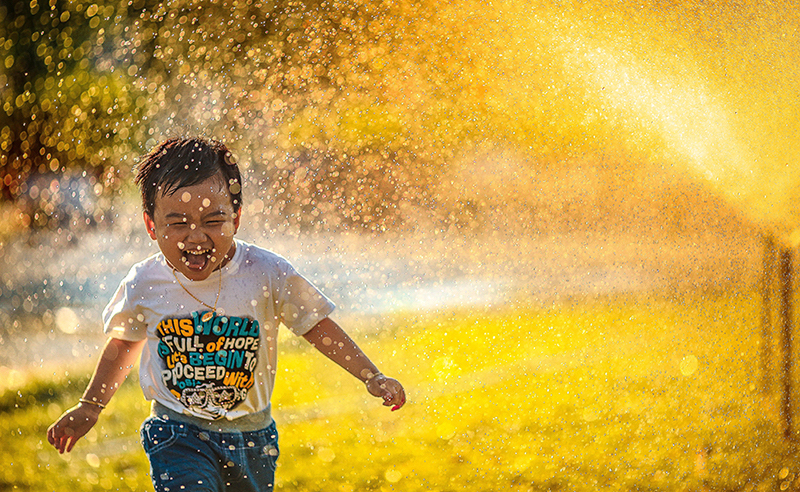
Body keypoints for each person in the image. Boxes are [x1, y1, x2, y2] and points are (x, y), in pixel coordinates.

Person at [46, 137, 406, 491]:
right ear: (151, 226)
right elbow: (124, 343)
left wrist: (370, 375)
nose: (196, 236)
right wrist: (91, 405)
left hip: (252, 437)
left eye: (212, 220)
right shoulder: (145, 282)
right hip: (177, 432)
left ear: (236, 218)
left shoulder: (266, 272)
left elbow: (316, 325)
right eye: (178, 223)